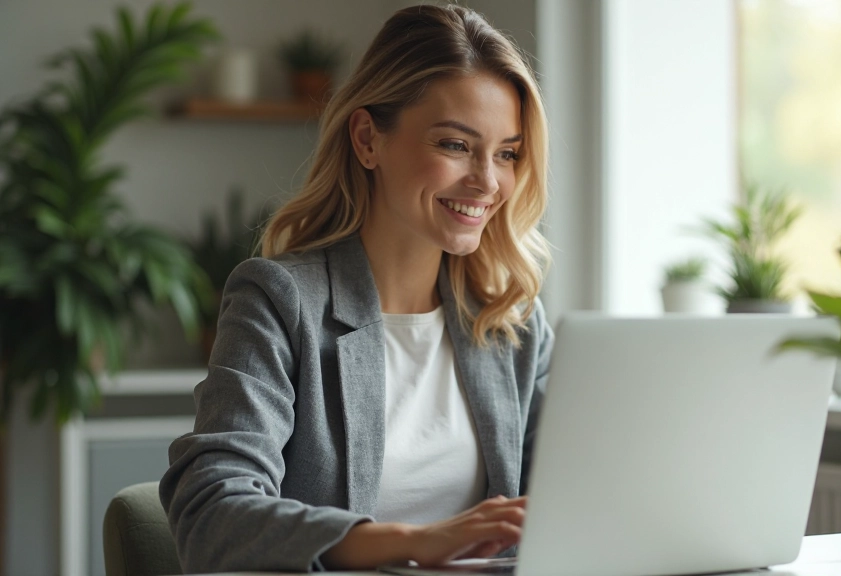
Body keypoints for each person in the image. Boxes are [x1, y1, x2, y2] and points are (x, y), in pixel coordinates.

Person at [158, 4, 553, 573]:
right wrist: (415, 542)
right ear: (368, 139)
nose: (488, 182)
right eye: (455, 145)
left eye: (508, 154)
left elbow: (569, 509)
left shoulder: (511, 320)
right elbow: (211, 513)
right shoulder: (278, 301)